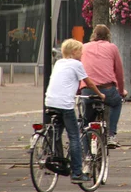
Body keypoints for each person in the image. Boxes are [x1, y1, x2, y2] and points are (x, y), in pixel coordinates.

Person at [44, 38, 106, 184]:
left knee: (57, 132)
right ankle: (77, 173)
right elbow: (88, 82)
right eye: (80, 51)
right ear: (73, 52)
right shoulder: (76, 64)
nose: (82, 54)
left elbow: (65, 81)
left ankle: (57, 159)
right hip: (65, 105)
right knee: (74, 136)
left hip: (50, 102)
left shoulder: (58, 63)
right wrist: (99, 94)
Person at [81, 25, 127, 148]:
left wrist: (78, 89)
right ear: (108, 36)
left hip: (87, 90)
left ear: (93, 35)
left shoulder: (84, 47)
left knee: (86, 121)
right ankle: (111, 135)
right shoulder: (112, 48)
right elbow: (119, 72)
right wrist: (121, 92)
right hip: (107, 89)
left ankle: (85, 153)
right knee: (116, 103)